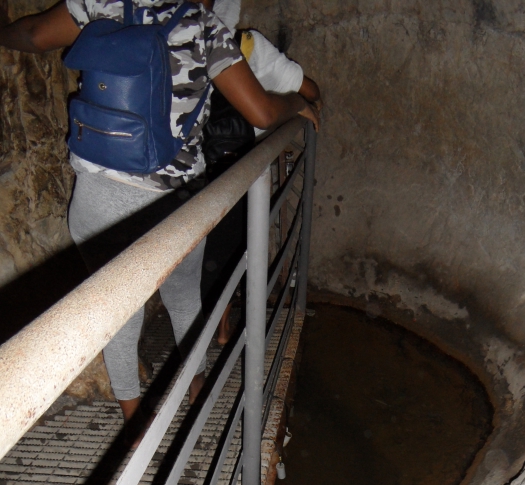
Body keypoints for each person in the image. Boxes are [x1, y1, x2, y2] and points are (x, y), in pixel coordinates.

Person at [0, 0, 319, 444]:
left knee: (116, 312)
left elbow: (34, 36)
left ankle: (135, 419)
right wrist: (297, 103)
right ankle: (195, 383)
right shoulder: (201, 25)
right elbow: (262, 113)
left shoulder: (102, 1)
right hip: (170, 203)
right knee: (184, 296)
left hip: (95, 196)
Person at [202, 0, 321, 344]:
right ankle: (221, 330)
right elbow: (306, 91)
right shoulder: (244, 47)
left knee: (205, 251)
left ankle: (206, 332)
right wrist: (300, 104)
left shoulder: (169, 40)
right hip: (232, 164)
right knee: (231, 247)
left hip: (186, 168)